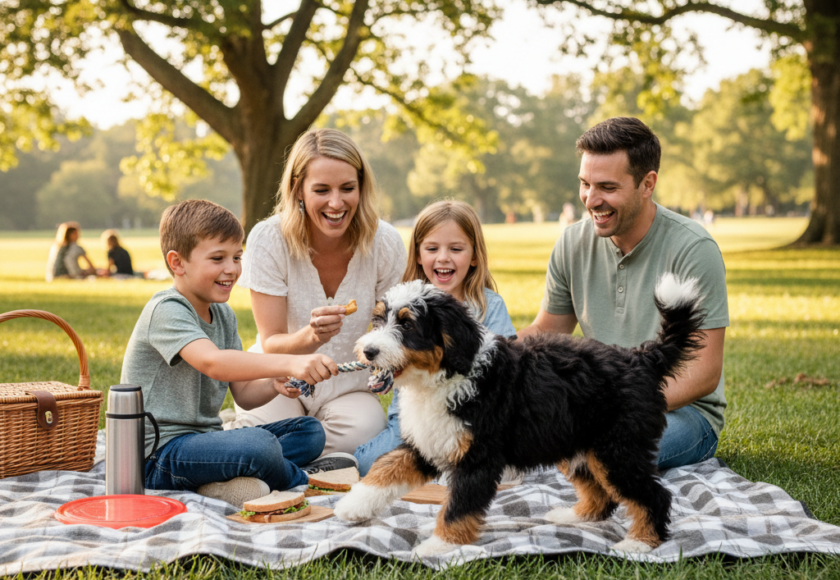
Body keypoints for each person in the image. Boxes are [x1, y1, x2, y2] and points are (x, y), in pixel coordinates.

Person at [518, 117, 728, 470]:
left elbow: (704, 372)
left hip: (682, 413)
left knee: (600, 455)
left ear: (648, 184)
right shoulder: (572, 243)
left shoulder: (693, 247)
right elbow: (546, 331)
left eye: (607, 187)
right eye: (585, 184)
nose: (591, 199)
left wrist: (613, 406)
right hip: (600, 402)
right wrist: (485, 354)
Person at [121, 199, 346, 507]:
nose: (232, 269)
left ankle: (220, 482)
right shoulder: (166, 309)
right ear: (178, 263)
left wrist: (272, 383)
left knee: (309, 431)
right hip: (159, 455)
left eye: (237, 257)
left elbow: (243, 396)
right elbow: (213, 363)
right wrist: (292, 361)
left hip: (203, 444)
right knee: (260, 446)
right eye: (218, 258)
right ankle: (306, 480)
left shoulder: (223, 315)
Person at [224, 128, 407, 466]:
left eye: (347, 189)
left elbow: (395, 331)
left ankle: (273, 455)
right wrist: (311, 336)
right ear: (298, 190)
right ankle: (272, 446)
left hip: (347, 385)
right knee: (272, 426)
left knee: (366, 431)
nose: (336, 203)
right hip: (279, 376)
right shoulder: (269, 239)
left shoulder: (386, 243)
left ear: (361, 188)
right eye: (321, 190)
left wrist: (387, 367)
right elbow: (271, 342)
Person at [354, 200, 517, 476]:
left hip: (471, 417)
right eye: (432, 249)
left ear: (474, 256)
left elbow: (508, 368)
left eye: (455, 249)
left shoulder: (489, 305)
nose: (443, 258)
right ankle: (351, 462)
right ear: (418, 255)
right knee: (373, 463)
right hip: (414, 418)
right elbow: (386, 351)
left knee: (489, 463)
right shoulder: (404, 302)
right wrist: (385, 376)